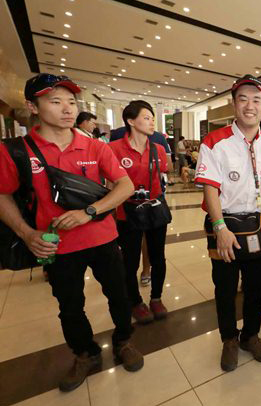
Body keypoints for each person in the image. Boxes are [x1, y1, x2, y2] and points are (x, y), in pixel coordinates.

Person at [0, 74, 143, 392]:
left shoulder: (93, 146)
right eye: (55, 101)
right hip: (57, 248)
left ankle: (123, 340)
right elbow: (3, 194)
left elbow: (125, 185)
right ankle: (86, 353)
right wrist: (26, 233)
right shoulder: (18, 151)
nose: (67, 109)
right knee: (70, 306)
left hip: (103, 238)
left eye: (71, 102)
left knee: (119, 296)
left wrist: (89, 212)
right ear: (32, 106)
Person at [194, 75, 261, 372]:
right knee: (224, 288)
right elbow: (210, 187)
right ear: (234, 104)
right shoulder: (215, 142)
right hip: (225, 224)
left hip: (259, 225)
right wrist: (220, 228)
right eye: (243, 99)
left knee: (255, 287)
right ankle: (229, 339)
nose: (250, 106)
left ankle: (250, 335)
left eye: (256, 100)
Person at [109, 101, 170, 324]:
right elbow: (109, 183)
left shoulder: (159, 150)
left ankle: (156, 297)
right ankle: (135, 301)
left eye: (152, 117)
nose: (152, 121)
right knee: (130, 260)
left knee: (158, 257)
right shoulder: (114, 149)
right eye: (146, 117)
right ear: (131, 121)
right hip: (127, 211)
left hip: (154, 210)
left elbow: (164, 171)